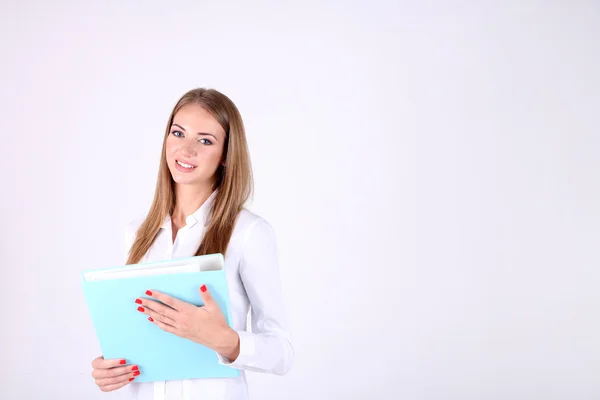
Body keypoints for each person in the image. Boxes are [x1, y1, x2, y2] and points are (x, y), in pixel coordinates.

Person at [89, 88, 294, 399]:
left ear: (226, 155)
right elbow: (138, 338)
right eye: (178, 133)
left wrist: (224, 339)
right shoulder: (137, 233)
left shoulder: (248, 232)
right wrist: (111, 368)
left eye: (205, 140)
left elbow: (282, 353)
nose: (186, 149)